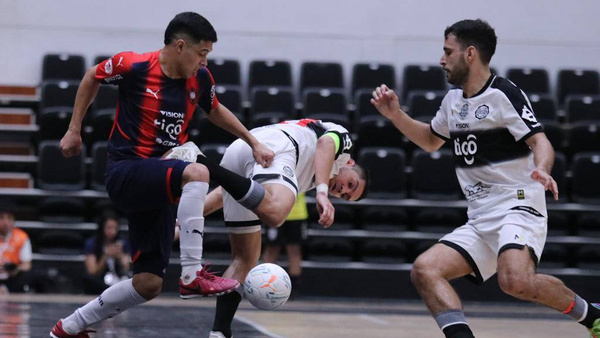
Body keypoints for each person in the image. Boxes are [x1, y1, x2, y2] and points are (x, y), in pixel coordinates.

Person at [371, 18, 600, 338]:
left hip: (518, 206)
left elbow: (540, 141)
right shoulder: (452, 101)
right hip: (481, 217)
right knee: (426, 270)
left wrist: (543, 169)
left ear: (470, 54)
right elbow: (429, 140)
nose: (441, 59)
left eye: (447, 51)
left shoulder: (504, 93)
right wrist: (396, 115)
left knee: (515, 282)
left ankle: (593, 317)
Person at [50, 12, 274, 338]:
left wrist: (253, 141)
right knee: (197, 170)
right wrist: (74, 130)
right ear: (180, 46)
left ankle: (68, 327)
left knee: (148, 283)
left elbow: (215, 110)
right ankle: (192, 274)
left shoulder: (200, 79)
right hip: (126, 170)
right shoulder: (134, 66)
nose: (204, 61)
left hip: (161, 180)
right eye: (202, 54)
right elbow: (91, 76)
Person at [167, 118, 369, 338]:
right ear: (350, 164)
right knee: (276, 213)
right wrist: (322, 191)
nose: (342, 190)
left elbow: (223, 195)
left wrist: (177, 222)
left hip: (241, 152)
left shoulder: (307, 177)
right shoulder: (343, 145)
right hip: (274, 146)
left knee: (245, 259)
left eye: (345, 196)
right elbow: (325, 145)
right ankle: (200, 160)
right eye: (351, 184)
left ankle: (219, 333)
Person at [262, 192, 308, 300]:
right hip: (275, 211)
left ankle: (294, 287)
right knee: (271, 249)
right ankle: (265, 285)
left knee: (294, 250)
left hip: (297, 214)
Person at [82, 211, 131, 295]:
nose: (112, 231)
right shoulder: (92, 243)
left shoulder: (121, 243)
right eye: (109, 228)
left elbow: (127, 268)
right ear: (102, 228)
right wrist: (105, 257)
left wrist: (119, 256)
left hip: (118, 278)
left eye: (115, 228)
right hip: (101, 280)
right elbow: (92, 271)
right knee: (89, 279)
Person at [0, 199, 32, 294]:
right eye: (1, 218)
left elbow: (27, 264)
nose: (5, 222)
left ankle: (5, 289)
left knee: (28, 276)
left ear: (14, 220)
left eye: (9, 218)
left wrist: (16, 268)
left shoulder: (21, 237)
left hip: (11, 277)